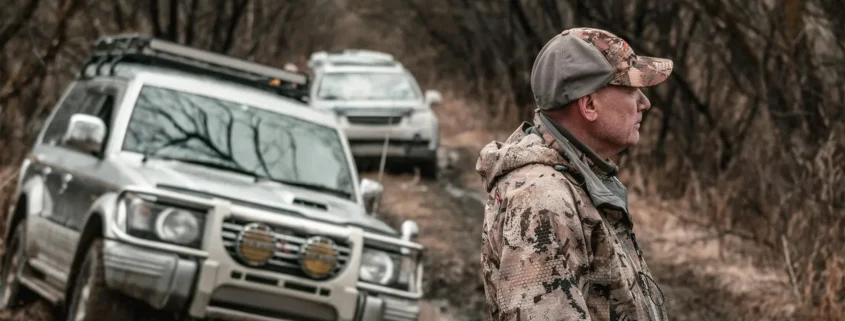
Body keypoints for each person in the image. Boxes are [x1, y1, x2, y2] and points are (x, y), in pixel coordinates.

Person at [475, 27, 672, 321]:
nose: (645, 103)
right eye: (631, 89)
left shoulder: (577, 178)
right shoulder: (542, 199)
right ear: (589, 105)